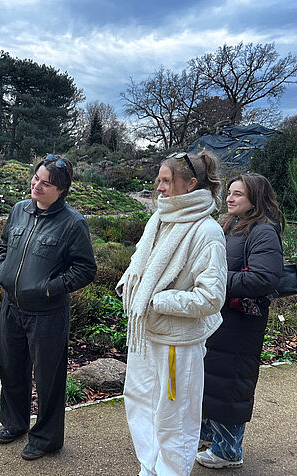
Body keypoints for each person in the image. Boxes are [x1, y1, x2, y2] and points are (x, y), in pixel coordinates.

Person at [116, 151, 227, 476]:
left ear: (190, 184)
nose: (159, 187)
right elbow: (142, 264)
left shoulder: (207, 232)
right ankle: (148, 470)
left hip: (177, 345)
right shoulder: (159, 220)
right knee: (140, 404)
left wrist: (158, 301)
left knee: (174, 419)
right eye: (159, 179)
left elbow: (211, 298)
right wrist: (129, 285)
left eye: (166, 180)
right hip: (145, 335)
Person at [0, 154, 96, 460]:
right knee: (11, 369)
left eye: (46, 183)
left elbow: (85, 269)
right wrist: (2, 269)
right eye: (36, 178)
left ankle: (47, 438)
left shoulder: (73, 223)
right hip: (11, 306)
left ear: (62, 190)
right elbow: (3, 245)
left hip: (47, 314)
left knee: (49, 377)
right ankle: (15, 423)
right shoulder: (19, 210)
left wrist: (49, 288)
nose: (37, 186)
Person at [197, 173, 284, 469]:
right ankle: (211, 436)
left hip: (241, 324)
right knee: (213, 382)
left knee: (231, 386)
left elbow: (263, 278)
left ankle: (229, 451)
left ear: (255, 200)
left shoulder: (263, 232)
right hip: (222, 319)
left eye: (238, 195)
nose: (230, 198)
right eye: (230, 193)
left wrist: (215, 280)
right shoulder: (231, 224)